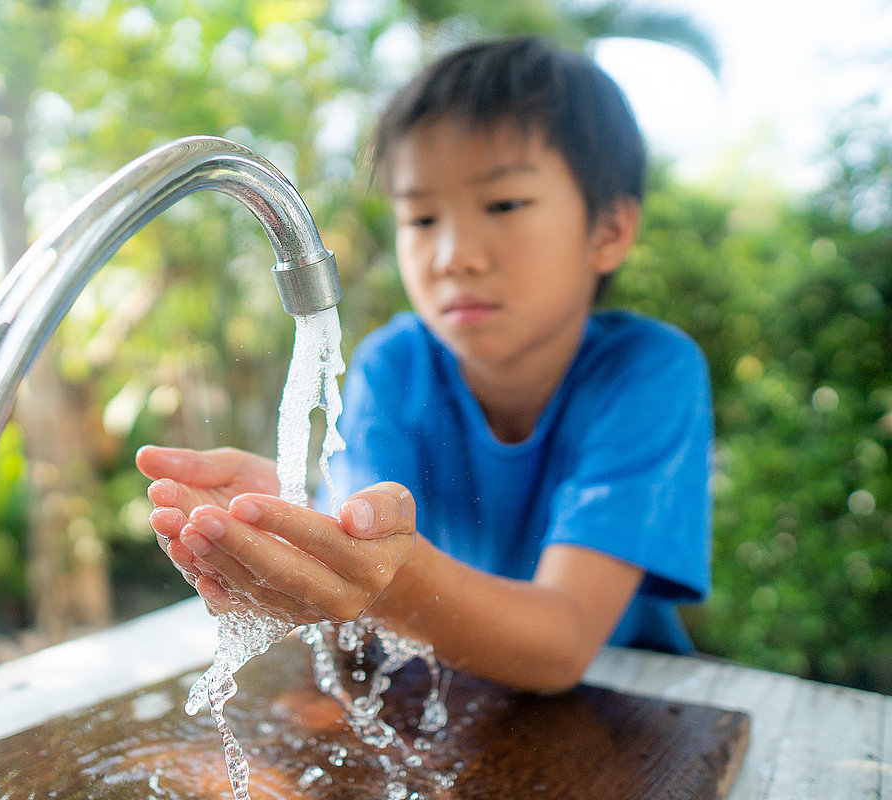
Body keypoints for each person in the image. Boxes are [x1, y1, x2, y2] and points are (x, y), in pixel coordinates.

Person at [136, 35, 713, 694]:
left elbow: (562, 643)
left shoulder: (647, 373)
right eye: (421, 216)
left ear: (608, 230)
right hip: (452, 691)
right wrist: (295, 534)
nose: (452, 256)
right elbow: (361, 565)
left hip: (626, 706)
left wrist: (381, 574)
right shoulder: (395, 367)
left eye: (503, 205)